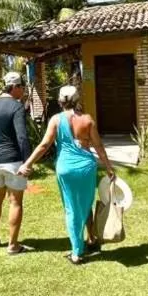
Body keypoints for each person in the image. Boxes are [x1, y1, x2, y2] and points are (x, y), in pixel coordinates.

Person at [20, 85, 115, 265]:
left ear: (59, 101)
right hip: (86, 168)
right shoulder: (87, 120)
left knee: (72, 208)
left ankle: (77, 252)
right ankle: (91, 238)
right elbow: (98, 146)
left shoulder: (56, 120)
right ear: (78, 100)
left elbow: (44, 145)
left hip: (66, 169)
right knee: (86, 203)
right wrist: (109, 168)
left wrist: (28, 163)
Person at [0, 71, 32, 255]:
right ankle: (12, 245)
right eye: (22, 87)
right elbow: (22, 137)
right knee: (15, 202)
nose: (23, 91)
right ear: (15, 87)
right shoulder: (16, 107)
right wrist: (27, 161)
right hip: (13, 161)